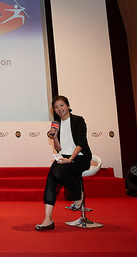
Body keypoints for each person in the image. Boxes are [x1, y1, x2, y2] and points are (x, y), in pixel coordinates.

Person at [35, 95, 93, 231]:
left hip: (80, 157)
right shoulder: (57, 124)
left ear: (67, 105)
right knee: (51, 177)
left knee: (58, 172)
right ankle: (47, 219)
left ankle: (78, 194)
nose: (59, 109)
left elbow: (81, 144)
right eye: (56, 107)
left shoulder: (78, 120)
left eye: (61, 105)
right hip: (64, 156)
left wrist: (71, 159)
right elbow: (59, 148)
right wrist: (54, 137)